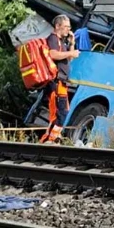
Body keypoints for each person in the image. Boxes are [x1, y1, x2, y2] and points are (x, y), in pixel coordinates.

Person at [40, 14, 80, 143]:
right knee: (60, 113)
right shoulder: (53, 38)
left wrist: (72, 43)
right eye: (66, 27)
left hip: (62, 82)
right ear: (58, 26)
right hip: (55, 82)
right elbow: (53, 54)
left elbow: (70, 58)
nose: (68, 30)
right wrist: (71, 52)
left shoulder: (61, 42)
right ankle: (48, 140)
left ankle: (52, 138)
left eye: (69, 27)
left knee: (62, 112)